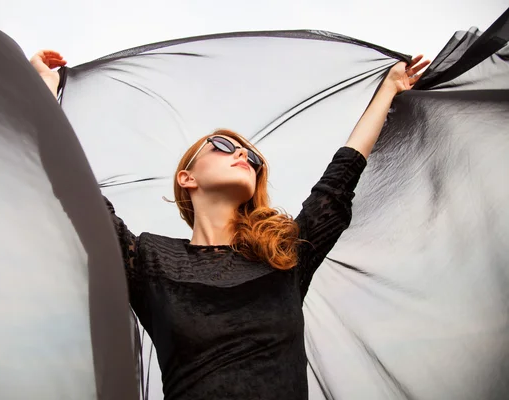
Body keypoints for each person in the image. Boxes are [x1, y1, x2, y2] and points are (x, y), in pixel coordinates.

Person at [31, 49, 430, 400]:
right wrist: (44, 92)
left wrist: (390, 88)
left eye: (251, 157)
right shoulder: (147, 260)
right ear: (187, 178)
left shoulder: (284, 255)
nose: (242, 153)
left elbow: (339, 180)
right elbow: (75, 188)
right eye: (222, 146)